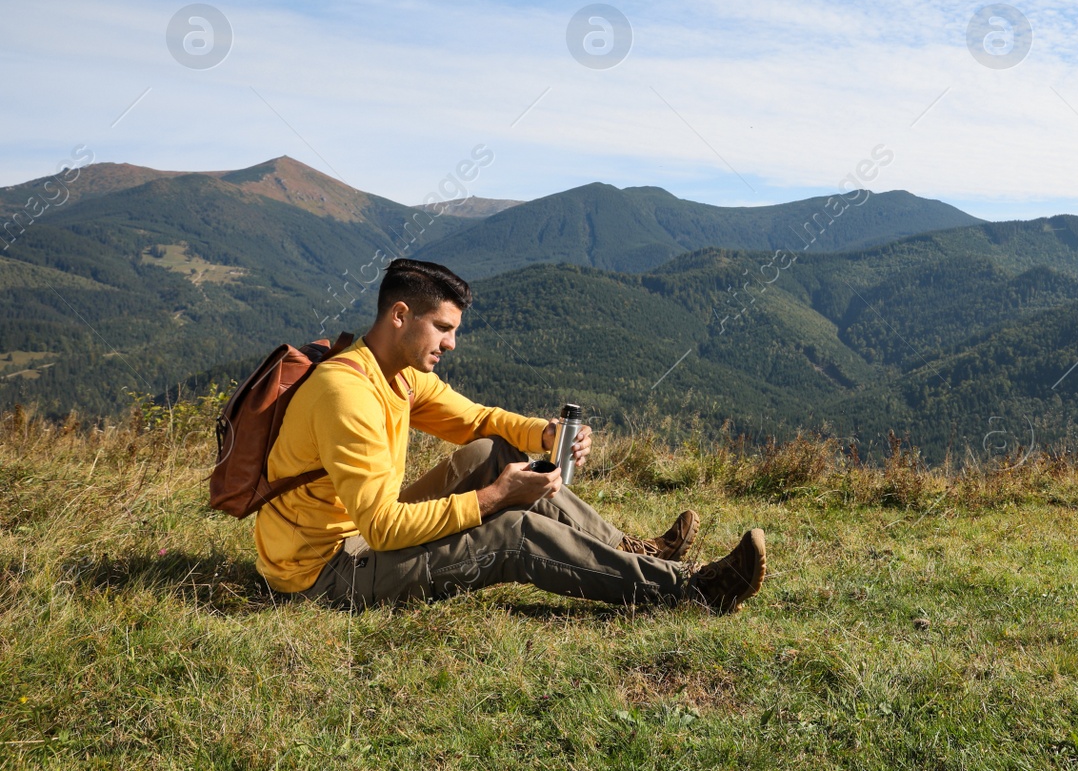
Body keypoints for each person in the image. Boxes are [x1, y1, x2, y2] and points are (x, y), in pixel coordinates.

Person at [254, 258, 766, 612]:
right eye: (442, 327)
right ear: (400, 315)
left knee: (492, 451)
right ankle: (691, 589)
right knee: (512, 531)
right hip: (322, 573)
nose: (452, 343)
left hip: (357, 536)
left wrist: (544, 435)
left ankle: (632, 551)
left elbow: (478, 420)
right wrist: (496, 496)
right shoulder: (348, 395)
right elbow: (385, 529)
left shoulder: (396, 375)